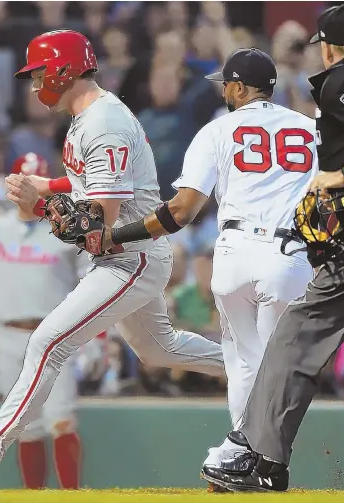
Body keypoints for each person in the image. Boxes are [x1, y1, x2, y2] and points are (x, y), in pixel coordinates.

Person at [45, 47, 318, 486]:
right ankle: (258, 461)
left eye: (227, 84)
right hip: (293, 256)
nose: (224, 92)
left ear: (242, 88)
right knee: (271, 365)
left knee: (244, 361)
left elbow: (181, 210)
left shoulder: (219, 129)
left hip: (237, 251)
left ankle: (244, 459)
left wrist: (116, 235)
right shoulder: (310, 129)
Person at [0, 30, 224, 492]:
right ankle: (254, 367)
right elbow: (87, 183)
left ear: (63, 70)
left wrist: (39, 204)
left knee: (47, 342)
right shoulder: (92, 115)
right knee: (157, 350)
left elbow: (94, 230)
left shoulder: (102, 122)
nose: (33, 84)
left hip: (130, 257)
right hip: (125, 256)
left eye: (39, 73)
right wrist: (48, 187)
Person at [198, 4, 344, 492]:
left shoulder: (343, 82)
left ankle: (258, 459)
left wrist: (342, 174)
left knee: (294, 335)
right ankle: (264, 459)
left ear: (328, 46)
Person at [0, 153, 86, 490]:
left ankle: (71, 496)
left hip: (56, 335)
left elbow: (89, 281)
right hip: (9, 335)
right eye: (22, 182)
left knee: (61, 420)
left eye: (34, 182)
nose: (28, 189)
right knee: (24, 427)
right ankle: (34, 496)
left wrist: (98, 337)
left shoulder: (65, 227)